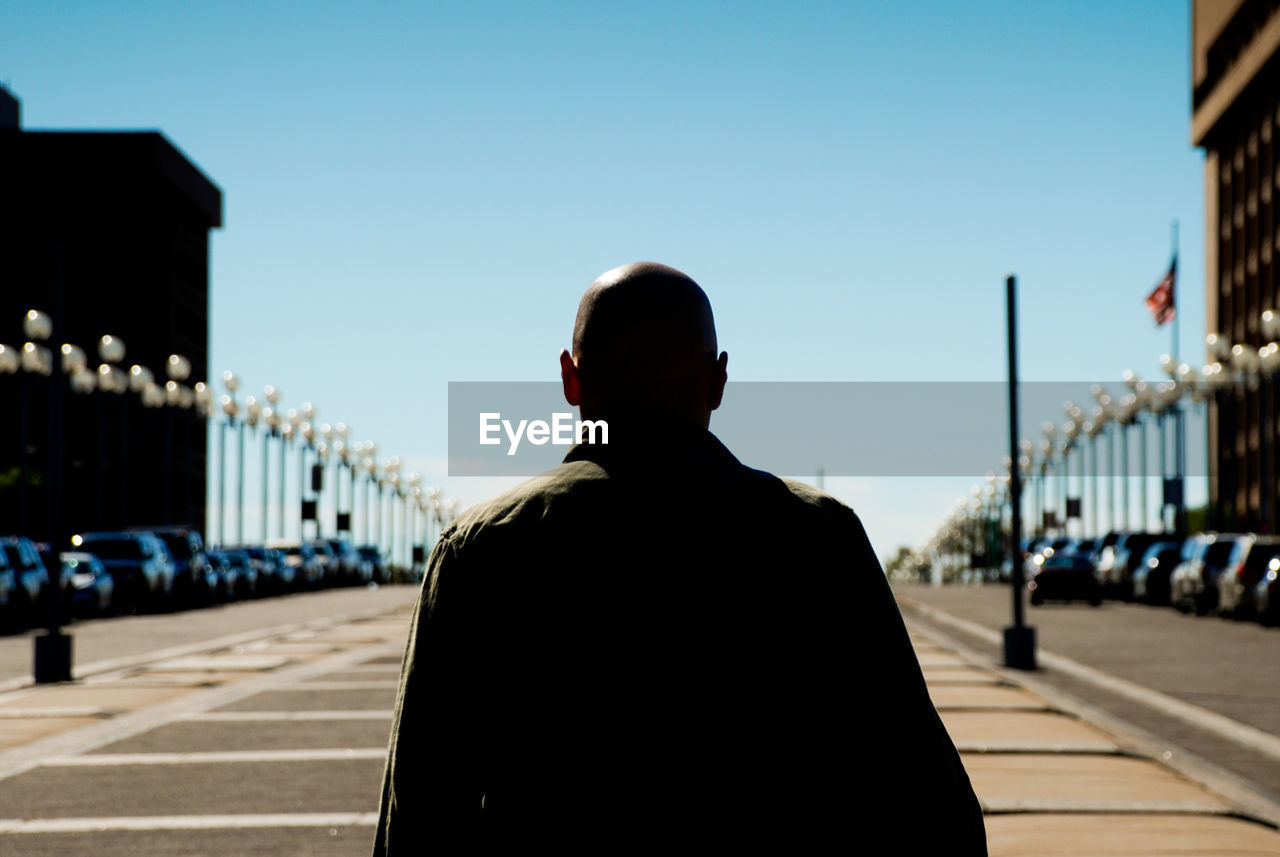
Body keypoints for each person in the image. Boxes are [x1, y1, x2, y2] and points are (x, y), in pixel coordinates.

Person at [372, 262, 987, 854]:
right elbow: (926, 797)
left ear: (570, 378)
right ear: (718, 381)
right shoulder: (819, 537)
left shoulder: (487, 548)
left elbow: (424, 811)